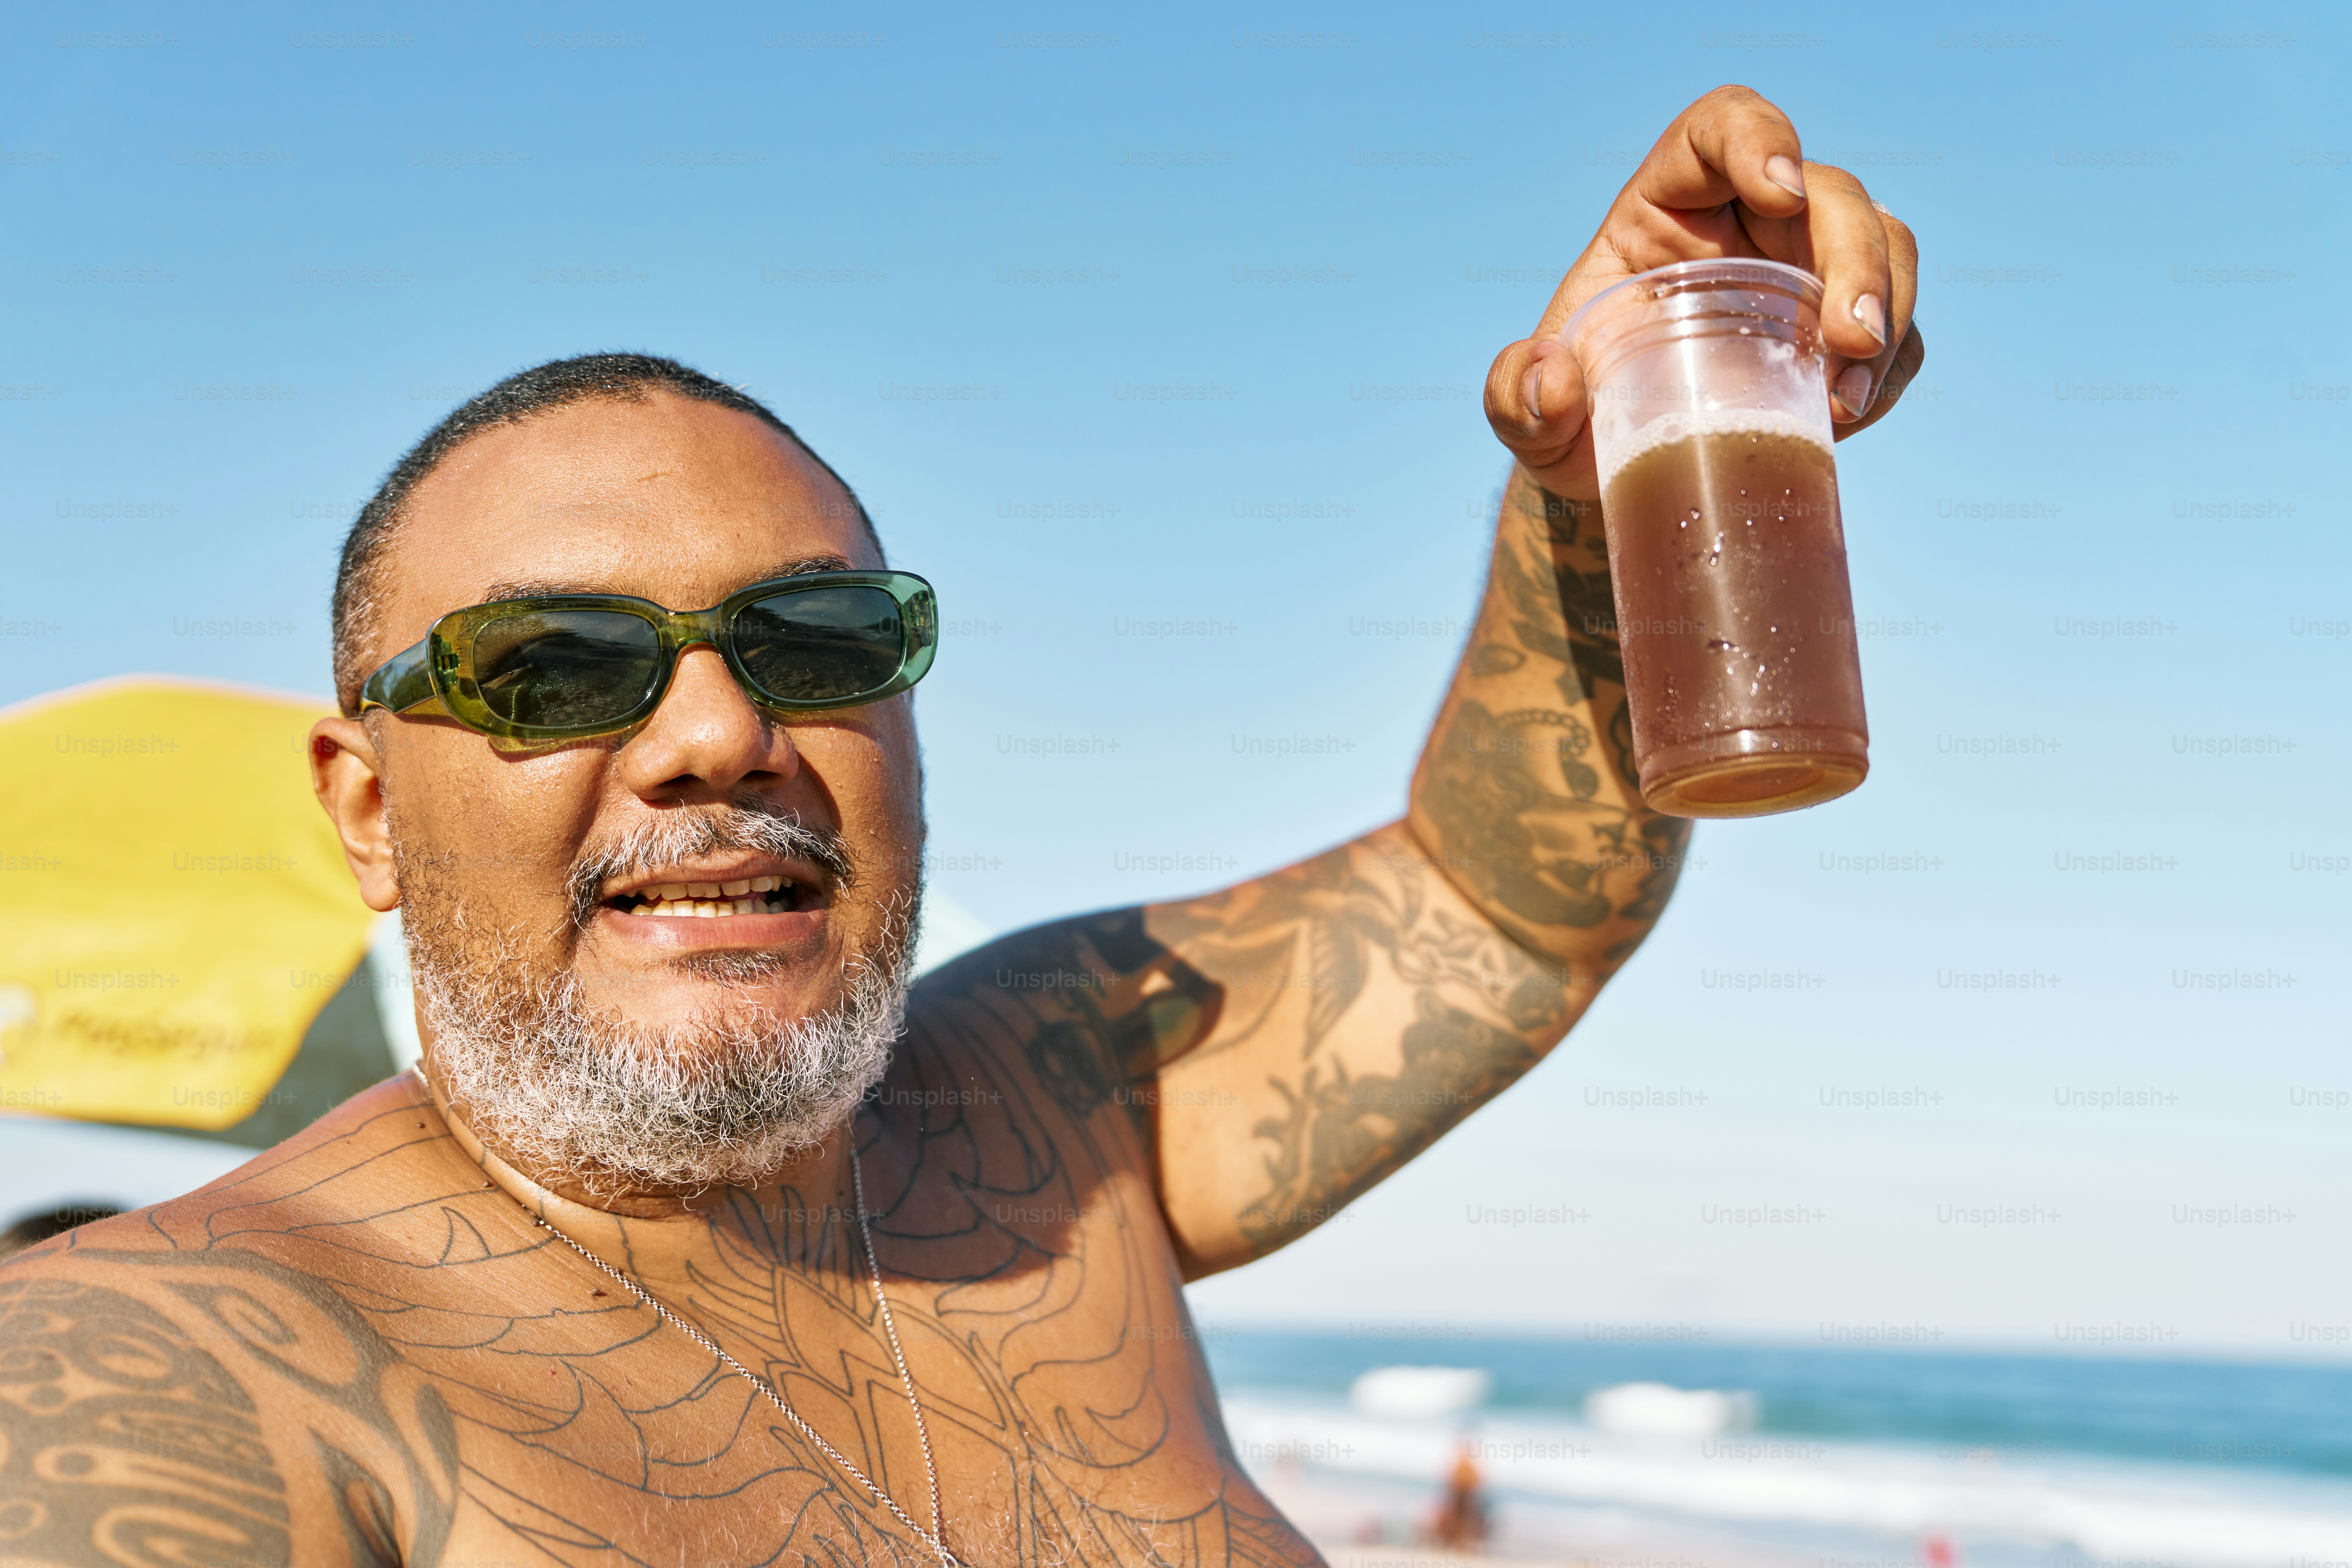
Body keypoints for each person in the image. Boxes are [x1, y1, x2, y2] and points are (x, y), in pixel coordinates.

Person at [0, 87, 1920, 1568]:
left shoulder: (1045, 1105)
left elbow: (1502, 902)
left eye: (812, 638)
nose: (717, 729)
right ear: (367, 811)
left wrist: (1599, 469)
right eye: (553, 667)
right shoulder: (158, 1376)